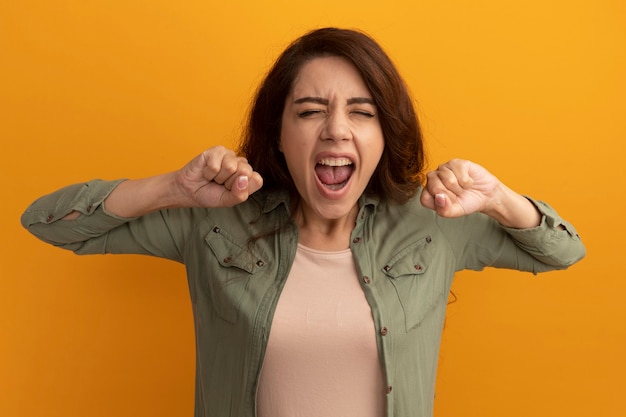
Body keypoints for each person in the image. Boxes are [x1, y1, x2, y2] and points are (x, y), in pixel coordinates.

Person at [21, 27, 585, 417]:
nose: (337, 130)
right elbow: (48, 222)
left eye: (362, 112)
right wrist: (172, 187)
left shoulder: (434, 223)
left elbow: (563, 251)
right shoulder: (215, 224)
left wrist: (500, 199)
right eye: (311, 111)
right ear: (280, 137)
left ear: (383, 135)